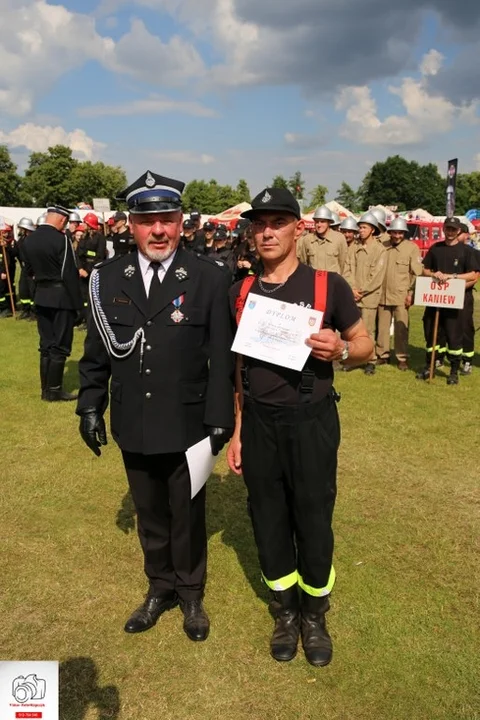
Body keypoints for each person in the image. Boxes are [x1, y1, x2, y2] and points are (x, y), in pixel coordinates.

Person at [76, 170, 234, 642]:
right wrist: (89, 404)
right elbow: (97, 351)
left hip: (188, 421)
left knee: (187, 513)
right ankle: (158, 587)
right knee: (150, 512)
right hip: (133, 418)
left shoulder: (209, 278)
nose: (158, 230)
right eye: (148, 221)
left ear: (181, 221)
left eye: (167, 218)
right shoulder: (107, 279)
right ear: (131, 224)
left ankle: (190, 594)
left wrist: (220, 420)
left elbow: (222, 357)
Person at [227, 187, 373, 667]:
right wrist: (238, 430)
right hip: (260, 424)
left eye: (278, 222)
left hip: (311, 420)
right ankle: (285, 611)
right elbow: (239, 373)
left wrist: (342, 351)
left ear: (297, 227)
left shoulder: (326, 285)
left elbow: (365, 344)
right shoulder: (242, 291)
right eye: (259, 224)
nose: (267, 232)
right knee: (267, 516)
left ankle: (314, 614)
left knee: (312, 516)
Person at [23, 205, 82, 401]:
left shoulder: (29, 240)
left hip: (41, 295)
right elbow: (69, 273)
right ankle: (54, 391)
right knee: (60, 345)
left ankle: (45, 390)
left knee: (46, 344)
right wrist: (78, 304)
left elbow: (28, 272)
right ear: (62, 220)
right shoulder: (61, 240)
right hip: (61, 297)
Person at [416, 217, 479, 384]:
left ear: (459, 231)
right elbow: (425, 270)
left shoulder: (466, 251)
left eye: (453, 229)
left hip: (455, 300)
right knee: (432, 333)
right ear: (443, 229)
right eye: (447, 228)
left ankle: (453, 370)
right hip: (436, 298)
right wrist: (433, 274)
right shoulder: (436, 248)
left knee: (454, 335)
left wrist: (452, 277)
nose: (450, 232)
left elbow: (473, 274)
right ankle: (430, 365)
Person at [375, 217, 423, 370]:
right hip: (382, 294)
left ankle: (402, 357)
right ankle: (382, 355)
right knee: (382, 328)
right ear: (389, 232)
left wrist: (411, 294)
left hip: (401, 296)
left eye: (400, 233)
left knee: (401, 328)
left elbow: (417, 273)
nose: (397, 236)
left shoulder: (411, 248)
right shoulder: (382, 246)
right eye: (394, 233)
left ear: (404, 233)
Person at [343, 212, 387, 375]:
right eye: (360, 227)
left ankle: (371, 360)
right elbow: (347, 269)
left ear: (373, 230)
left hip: (369, 297)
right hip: (353, 294)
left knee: (368, 330)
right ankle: (352, 359)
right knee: (351, 329)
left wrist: (361, 291)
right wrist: (352, 288)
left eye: (364, 227)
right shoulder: (353, 247)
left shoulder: (379, 250)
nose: (360, 230)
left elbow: (377, 276)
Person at [76, 212, 107, 327]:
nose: (83, 224)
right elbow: (78, 255)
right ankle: (84, 319)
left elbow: (99, 257)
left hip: (93, 271)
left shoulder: (100, 238)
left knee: (93, 297)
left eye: (85, 222)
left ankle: (92, 321)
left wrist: (89, 271)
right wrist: (80, 268)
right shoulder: (83, 238)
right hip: (82, 271)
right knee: (84, 298)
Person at [296, 205, 347, 275]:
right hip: (313, 281)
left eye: (322, 221)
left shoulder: (339, 238)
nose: (319, 225)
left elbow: (342, 263)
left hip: (332, 282)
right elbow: (304, 262)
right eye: (317, 222)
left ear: (329, 222)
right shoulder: (307, 240)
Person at [457, 223, 478, 374]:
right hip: (444, 296)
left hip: (464, 295)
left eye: (459, 233)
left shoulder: (473, 253)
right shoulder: (443, 250)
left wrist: (454, 289)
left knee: (465, 328)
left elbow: (475, 277)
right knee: (445, 328)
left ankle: (467, 361)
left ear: (466, 235)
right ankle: (440, 357)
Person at [16, 217, 37, 320]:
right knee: (23, 290)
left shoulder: (34, 239)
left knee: (32, 291)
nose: (20, 230)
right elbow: (16, 251)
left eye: (21, 228)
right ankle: (26, 310)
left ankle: (34, 312)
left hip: (33, 269)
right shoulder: (22, 239)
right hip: (24, 269)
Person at [0, 223, 17, 318]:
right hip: (2, 269)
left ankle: (6, 308)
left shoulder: (9, 243)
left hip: (6, 270)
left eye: (6, 232)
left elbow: (7, 260)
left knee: (4, 289)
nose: (6, 234)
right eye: (4, 232)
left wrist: (3, 272)